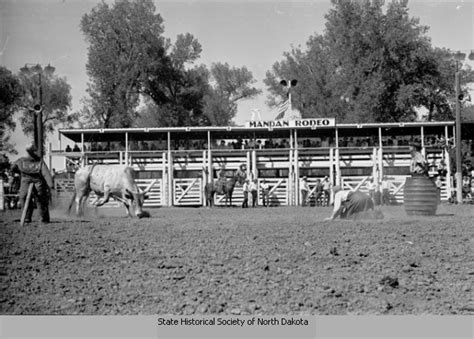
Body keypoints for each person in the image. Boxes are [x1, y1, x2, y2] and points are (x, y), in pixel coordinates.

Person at [11, 143, 54, 224]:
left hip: (37, 179)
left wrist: (50, 183)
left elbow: (45, 173)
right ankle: (27, 217)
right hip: (25, 179)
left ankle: (43, 217)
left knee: (40, 198)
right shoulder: (21, 161)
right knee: (23, 196)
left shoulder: (38, 161)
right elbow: (13, 168)